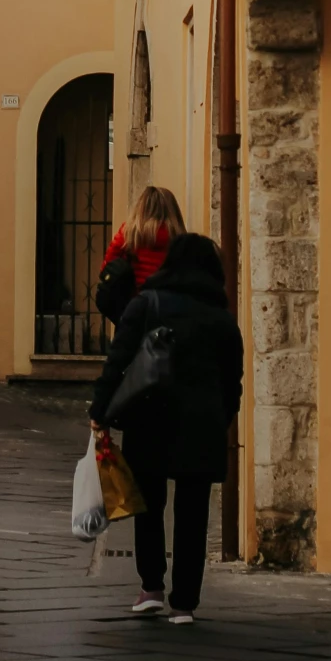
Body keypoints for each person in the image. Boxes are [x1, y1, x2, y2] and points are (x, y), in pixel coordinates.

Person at [89, 230, 243, 624]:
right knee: (192, 512)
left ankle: (151, 587)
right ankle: (185, 603)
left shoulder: (146, 305)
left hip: (149, 417)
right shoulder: (222, 319)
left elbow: (117, 359)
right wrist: (222, 419)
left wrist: (100, 410)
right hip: (202, 425)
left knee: (149, 505)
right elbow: (233, 380)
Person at [96, 185, 187, 321]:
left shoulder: (128, 234)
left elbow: (107, 269)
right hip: (169, 311)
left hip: (134, 308)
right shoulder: (179, 238)